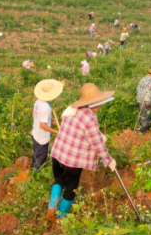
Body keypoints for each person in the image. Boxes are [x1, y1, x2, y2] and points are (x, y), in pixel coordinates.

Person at [47, 83, 117, 221]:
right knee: (71, 187)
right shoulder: (90, 118)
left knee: (59, 180)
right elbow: (97, 144)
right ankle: (60, 216)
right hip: (72, 161)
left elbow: (79, 130)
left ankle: (52, 206)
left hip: (58, 154)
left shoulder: (72, 110)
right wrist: (108, 159)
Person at [31, 79, 63, 170]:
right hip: (41, 138)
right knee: (40, 160)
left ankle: (33, 170)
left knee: (36, 155)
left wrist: (49, 120)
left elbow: (35, 115)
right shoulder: (46, 107)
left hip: (35, 134)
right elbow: (42, 125)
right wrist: (56, 132)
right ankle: (35, 175)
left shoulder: (38, 101)